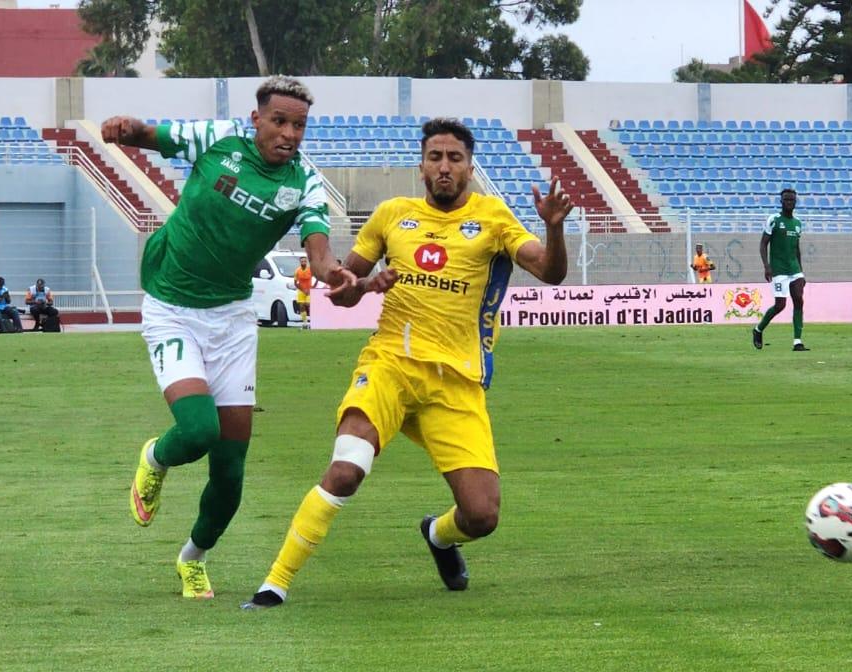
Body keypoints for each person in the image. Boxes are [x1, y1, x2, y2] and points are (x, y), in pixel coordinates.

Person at [242, 117, 574, 610]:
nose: (444, 167)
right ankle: (274, 584)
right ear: (421, 166)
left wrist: (552, 227)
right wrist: (360, 285)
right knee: (347, 468)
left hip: (456, 382)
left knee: (482, 516)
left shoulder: (494, 218)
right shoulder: (392, 215)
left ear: (469, 166)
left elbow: (550, 273)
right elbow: (342, 291)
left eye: (454, 158)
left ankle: (438, 535)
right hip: (389, 365)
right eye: (435, 157)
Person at [101, 75, 365, 600]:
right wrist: (123, 129)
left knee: (230, 471)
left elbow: (318, 250)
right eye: (280, 122)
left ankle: (192, 558)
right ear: (256, 120)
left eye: (299, 125)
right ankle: (155, 458)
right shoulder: (216, 138)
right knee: (197, 431)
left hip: (233, 321)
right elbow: (152, 135)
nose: (290, 133)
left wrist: (334, 272)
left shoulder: (304, 183)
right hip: (173, 307)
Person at [752, 188, 808, 351]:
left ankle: (797, 341)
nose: (789, 202)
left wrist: (801, 272)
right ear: (781, 201)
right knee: (780, 305)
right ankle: (758, 329)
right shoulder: (774, 220)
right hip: (779, 270)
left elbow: (797, 248)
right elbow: (763, 244)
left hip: (794, 268)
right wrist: (767, 266)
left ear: (795, 202)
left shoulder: (798, 223)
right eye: (786, 200)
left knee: (799, 299)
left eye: (792, 200)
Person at [293, 255, 313, 329]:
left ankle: (312, 322)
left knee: (308, 304)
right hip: (301, 290)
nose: (303, 262)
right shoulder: (297, 271)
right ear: (300, 262)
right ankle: (305, 323)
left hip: (309, 291)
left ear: (306, 262)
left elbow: (317, 278)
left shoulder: (310, 270)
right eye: (302, 261)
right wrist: (302, 290)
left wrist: (313, 287)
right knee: (301, 306)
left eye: (305, 261)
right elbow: (295, 283)